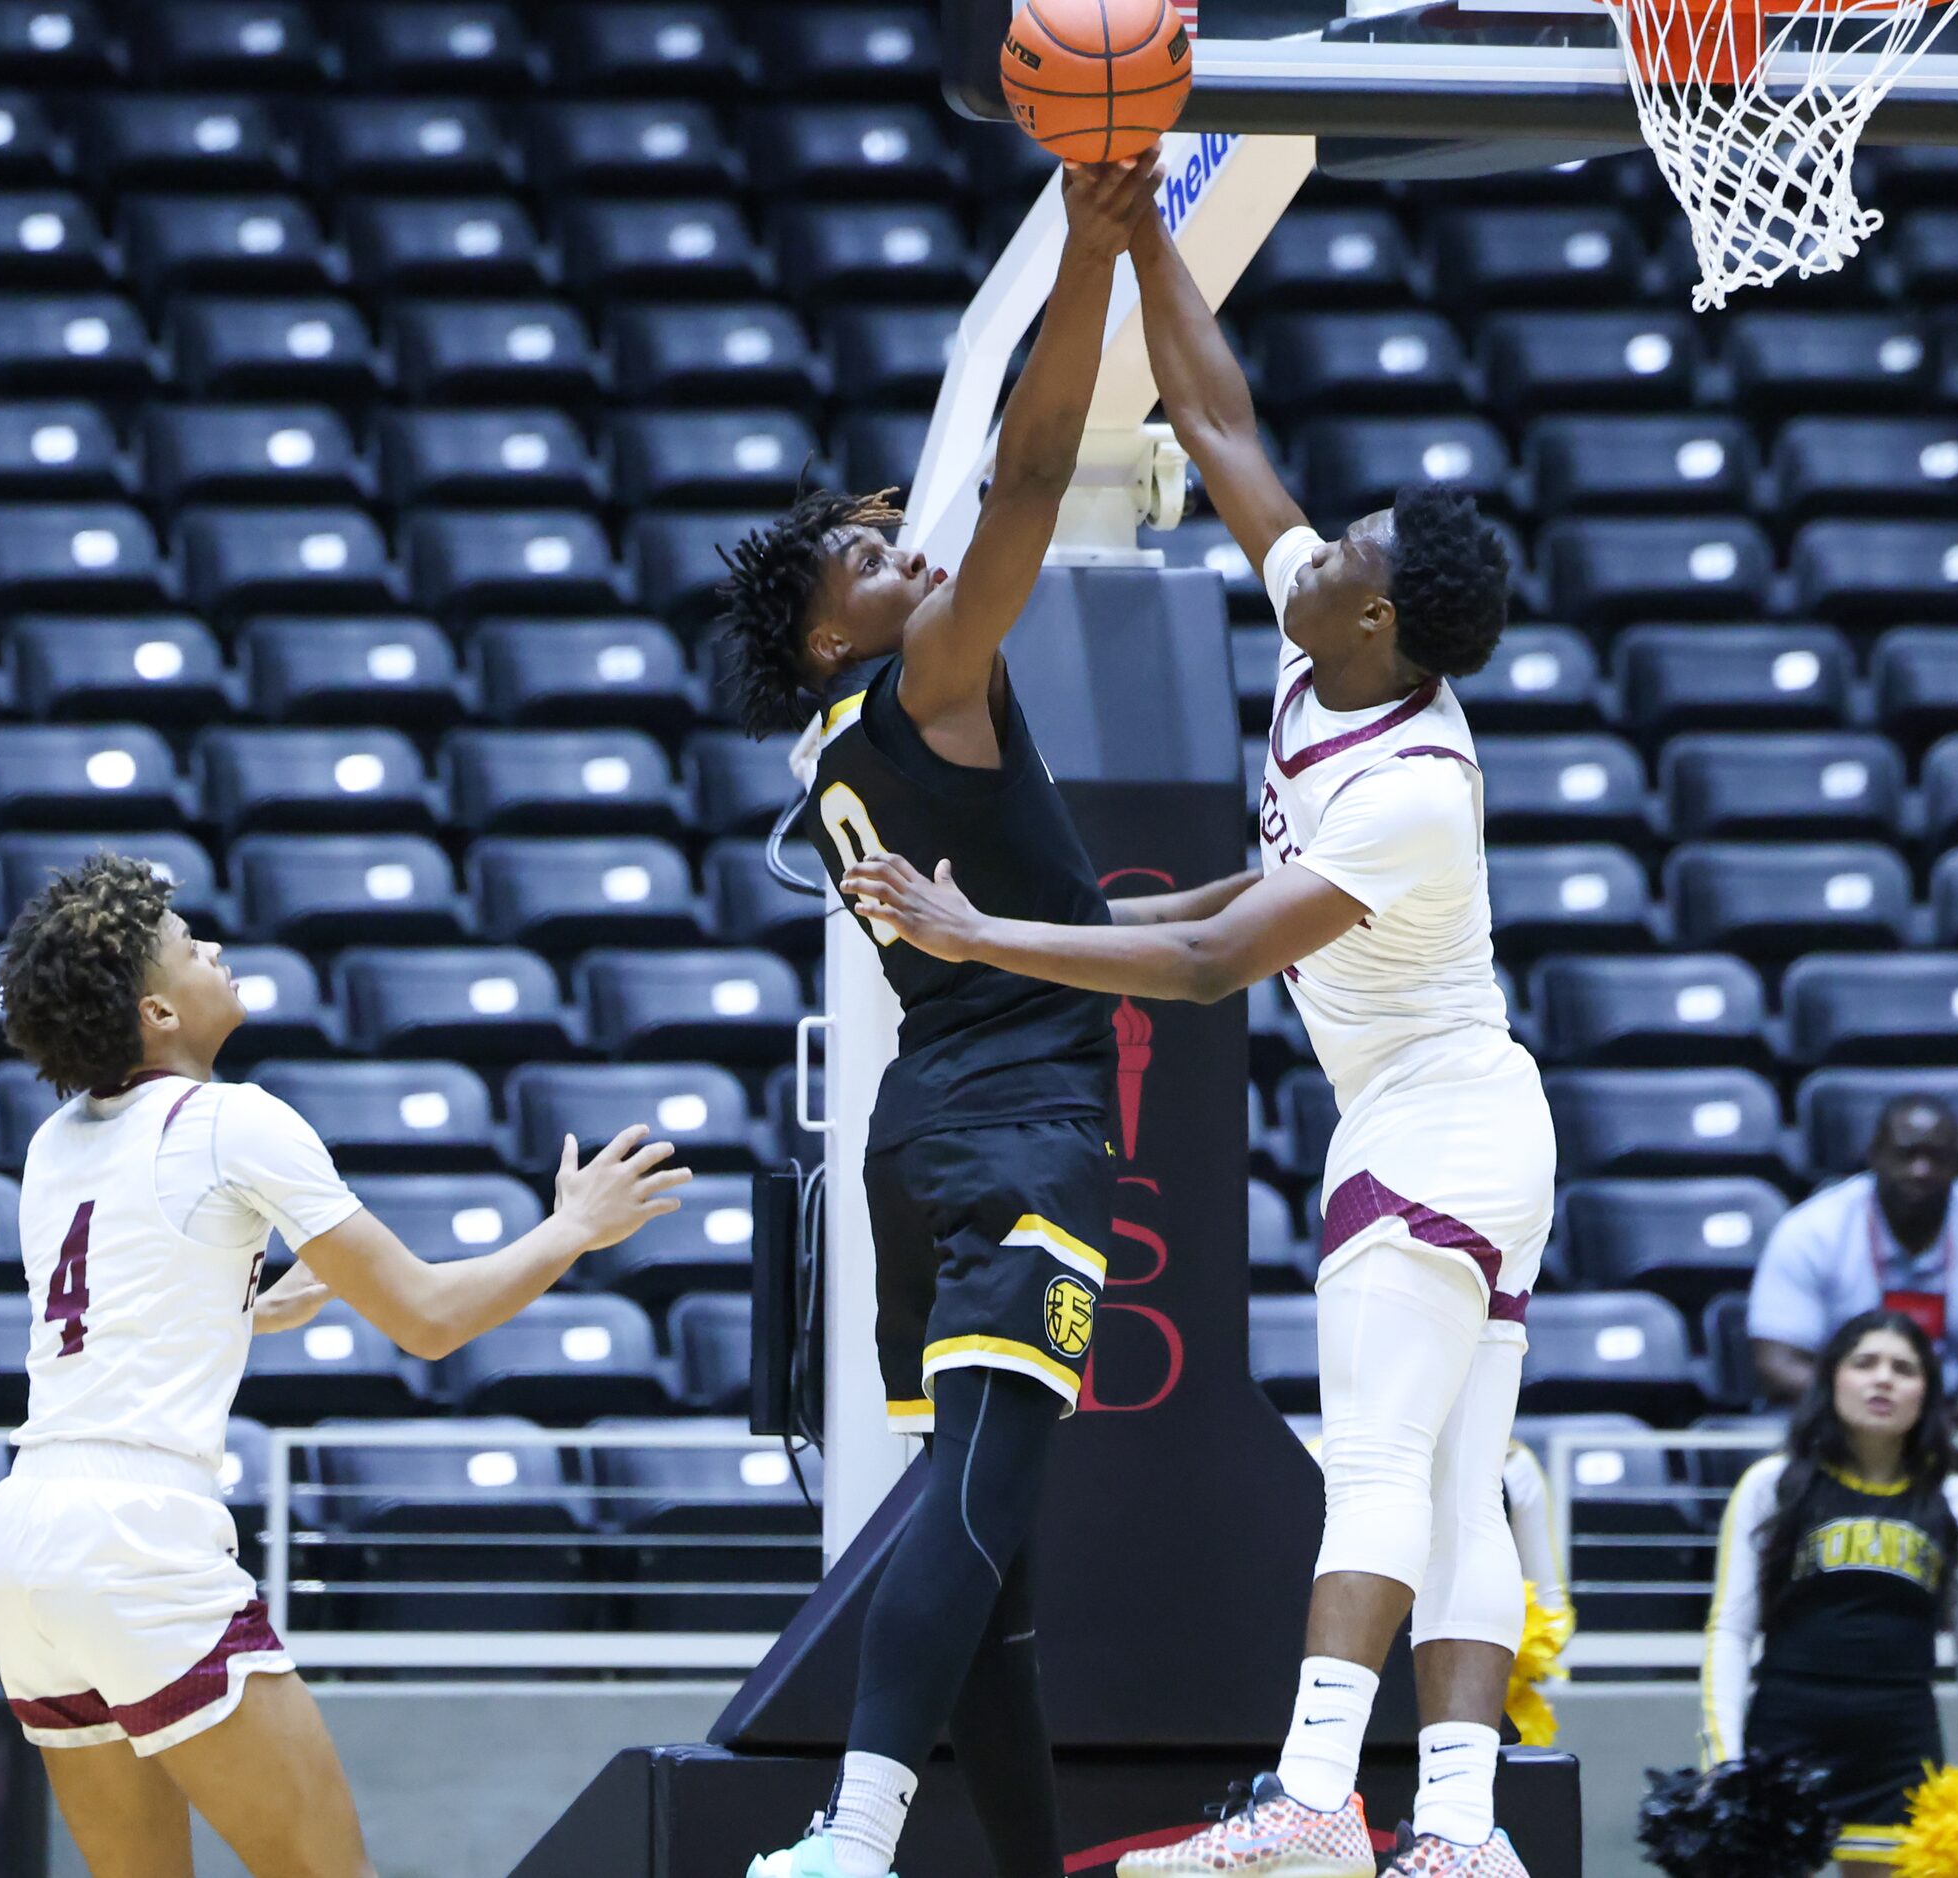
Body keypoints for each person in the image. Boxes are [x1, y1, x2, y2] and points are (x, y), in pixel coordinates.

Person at [842, 196, 1537, 1878]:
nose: (1310, 549)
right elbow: (1217, 416)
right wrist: (1137, 216)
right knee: (1456, 1469)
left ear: (1377, 625)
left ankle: (1313, 1795)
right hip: (1469, 1122)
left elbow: (1222, 957)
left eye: (1343, 556)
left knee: (1378, 1450)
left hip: (1432, 1114)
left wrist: (979, 929)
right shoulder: (1339, 639)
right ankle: (1453, 1824)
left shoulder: (1413, 793)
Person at [716, 151, 1161, 1878]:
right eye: (868, 548)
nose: (902, 546)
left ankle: (1024, 1859)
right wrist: (1097, 266)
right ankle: (859, 1831)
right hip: (1020, 1120)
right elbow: (1038, 468)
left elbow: (1065, 908)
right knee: (977, 1504)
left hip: (927, 1127)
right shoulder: (917, 684)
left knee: (994, 1562)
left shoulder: (819, 754)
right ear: (825, 620)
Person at [0, 854, 690, 1878]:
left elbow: (106, 1318)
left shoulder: (53, 1142)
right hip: (138, 1539)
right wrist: (571, 1230)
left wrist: (249, 1309)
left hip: (20, 1545)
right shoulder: (233, 1120)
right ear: (157, 1011)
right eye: (188, 945)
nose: (213, 948)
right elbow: (430, 1321)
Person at [1702, 1309, 1958, 1871]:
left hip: (1898, 1747)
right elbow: (1730, 1630)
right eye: (1864, 1363)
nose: (1883, 1379)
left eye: (1904, 1368)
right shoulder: (1773, 1485)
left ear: (1927, 1392)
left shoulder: (1957, 1499)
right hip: (1783, 1736)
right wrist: (1722, 1755)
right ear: (1831, 1380)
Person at [1748, 1095, 1958, 1428]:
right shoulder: (1809, 1231)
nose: (1921, 1169)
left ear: (1957, 1164)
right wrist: (1869, 1412)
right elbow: (1776, 1361)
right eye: (1906, 1154)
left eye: (1936, 1157)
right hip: (1838, 1424)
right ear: (1875, 1156)